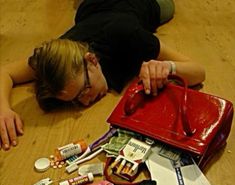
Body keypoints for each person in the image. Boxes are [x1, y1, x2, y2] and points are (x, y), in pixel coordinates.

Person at [0, 0, 205, 151]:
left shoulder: (129, 35)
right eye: (76, 100)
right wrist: (3, 109)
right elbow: (5, 71)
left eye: (85, 89)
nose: (86, 101)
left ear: (92, 60)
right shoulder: (58, 56)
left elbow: (198, 71)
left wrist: (168, 67)